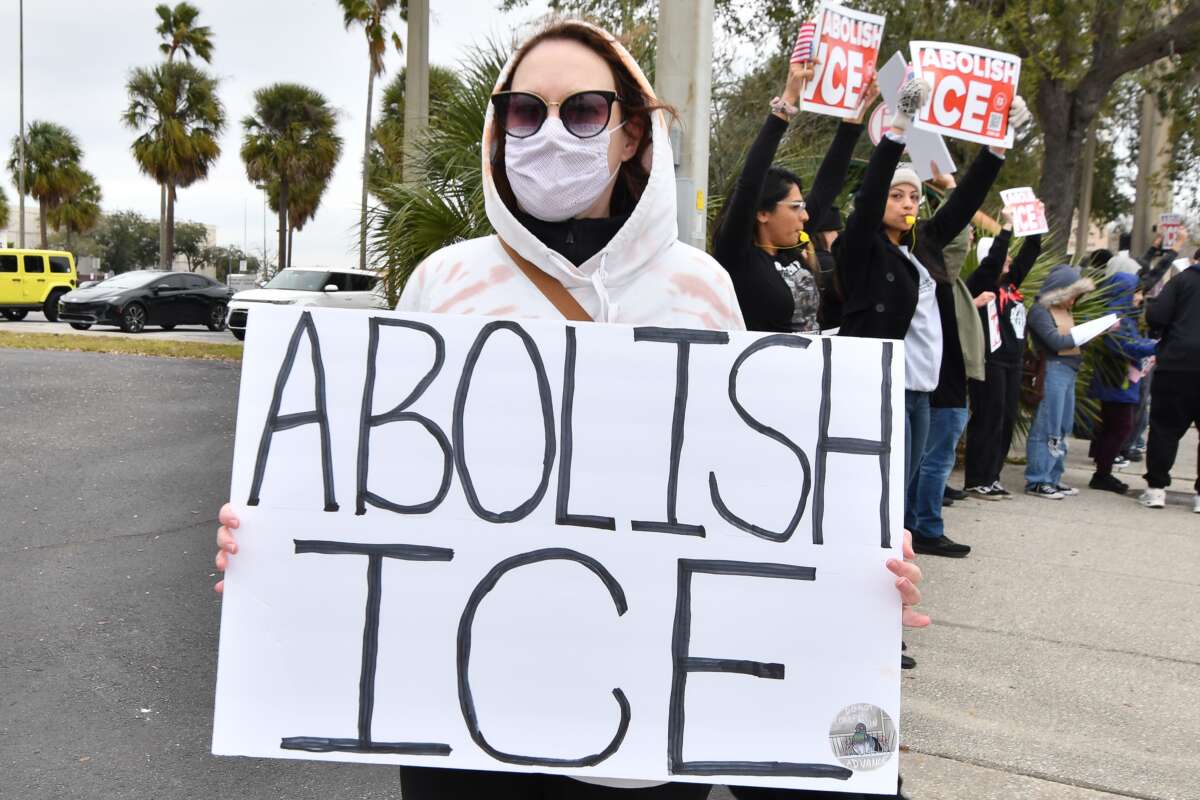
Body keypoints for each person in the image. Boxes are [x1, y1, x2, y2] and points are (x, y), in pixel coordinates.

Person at [213, 19, 929, 799]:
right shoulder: (444, 283)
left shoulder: (698, 289)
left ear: (629, 135)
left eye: (583, 110)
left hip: (644, 729)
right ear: (499, 129)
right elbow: (382, 488)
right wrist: (279, 541)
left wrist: (855, 568)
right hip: (466, 725)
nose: (550, 132)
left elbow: (755, 496)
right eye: (525, 111)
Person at [834, 77, 1027, 558]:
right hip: (882, 387)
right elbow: (868, 197)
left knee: (900, 499)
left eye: (913, 198)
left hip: (922, 390)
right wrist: (900, 127)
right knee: (883, 499)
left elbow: (962, 206)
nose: (906, 205)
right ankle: (871, 596)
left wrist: (996, 147)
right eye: (897, 197)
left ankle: (888, 582)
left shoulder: (923, 247)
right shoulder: (862, 249)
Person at [712, 61, 876, 334]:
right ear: (762, 213)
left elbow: (827, 187)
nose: (806, 215)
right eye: (796, 207)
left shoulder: (790, 250)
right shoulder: (738, 256)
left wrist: (852, 121)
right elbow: (750, 182)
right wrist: (786, 104)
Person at [962, 211, 1043, 499]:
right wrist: (1007, 227)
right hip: (989, 361)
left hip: (1011, 362)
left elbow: (1030, 253)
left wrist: (1034, 223)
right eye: (1004, 257)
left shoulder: (1011, 285)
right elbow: (994, 260)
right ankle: (976, 478)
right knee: (988, 418)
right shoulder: (982, 282)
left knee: (1006, 419)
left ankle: (992, 476)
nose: (1008, 261)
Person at [1023, 264, 1096, 499]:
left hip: (1067, 370)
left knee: (1062, 426)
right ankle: (1037, 479)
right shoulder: (1040, 311)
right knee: (1047, 425)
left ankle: (1053, 476)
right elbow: (1055, 341)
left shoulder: (1061, 311)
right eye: (1072, 296)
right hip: (1052, 370)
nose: (1074, 302)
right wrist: (1082, 334)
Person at [1140, 249, 1200, 512]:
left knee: (1165, 428)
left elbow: (1156, 316)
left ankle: (1156, 488)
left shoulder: (1181, 281)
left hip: (1177, 365)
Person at [1086, 272, 1158, 494]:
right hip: (1116, 381)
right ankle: (1102, 474)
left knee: (1111, 426)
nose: (1139, 297)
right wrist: (1155, 346)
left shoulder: (1121, 315)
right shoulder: (1116, 317)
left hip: (1116, 380)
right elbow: (1124, 346)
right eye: (1136, 292)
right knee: (1121, 427)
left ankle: (1103, 470)